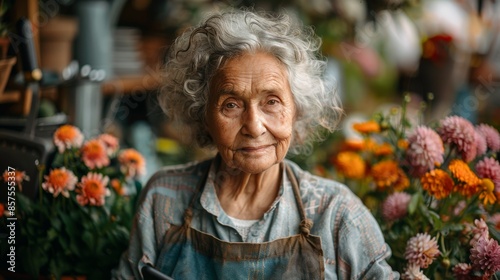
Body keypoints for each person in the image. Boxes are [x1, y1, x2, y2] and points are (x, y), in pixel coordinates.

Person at [114, 9, 399, 280]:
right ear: (203, 115)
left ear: (296, 110)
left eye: (271, 102)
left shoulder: (336, 214)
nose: (253, 126)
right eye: (231, 105)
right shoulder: (163, 199)